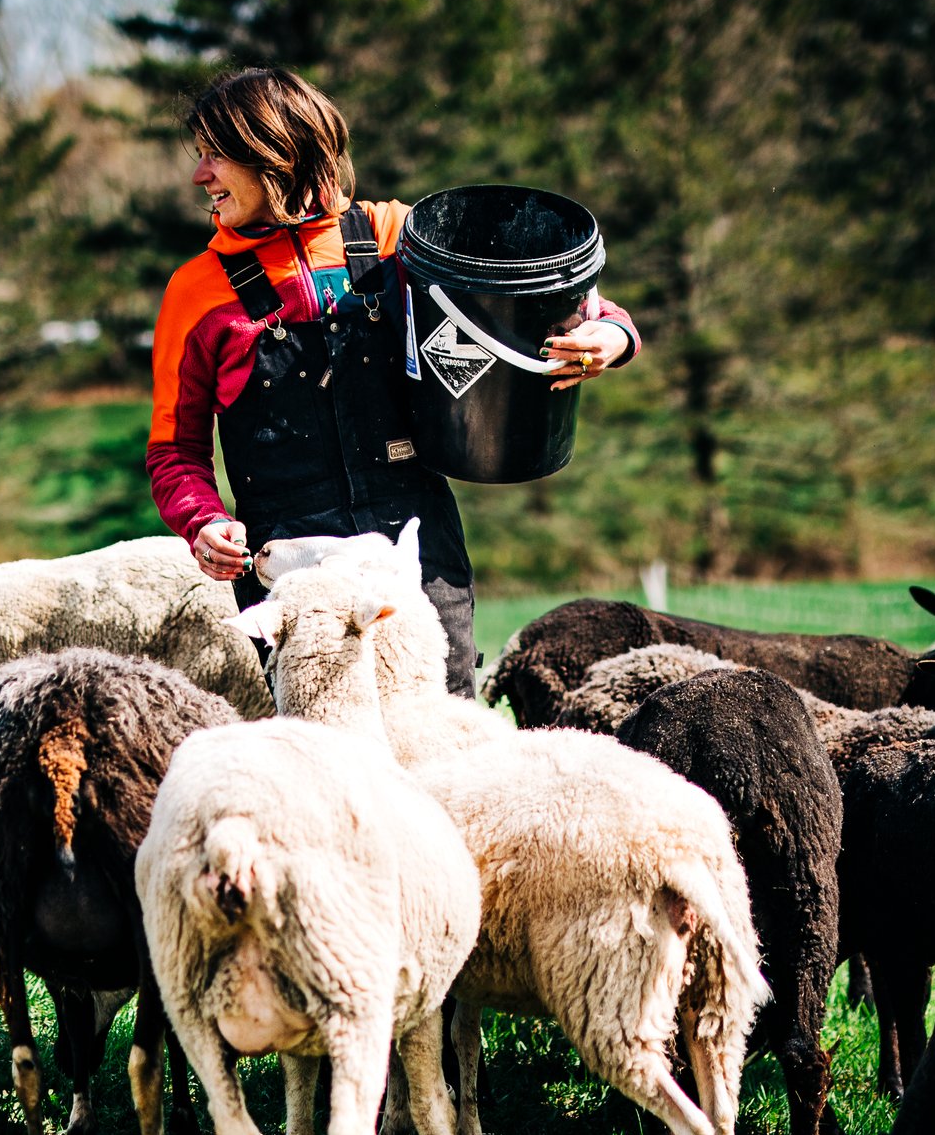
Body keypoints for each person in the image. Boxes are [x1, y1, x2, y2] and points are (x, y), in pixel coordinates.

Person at [147, 68, 639, 696]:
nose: (200, 175)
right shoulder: (194, 293)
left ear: (275, 153)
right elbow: (173, 452)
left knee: (446, 733)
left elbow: (551, 303)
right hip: (292, 573)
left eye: (216, 154)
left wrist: (614, 338)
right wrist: (203, 522)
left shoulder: (394, 236)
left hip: (417, 546)